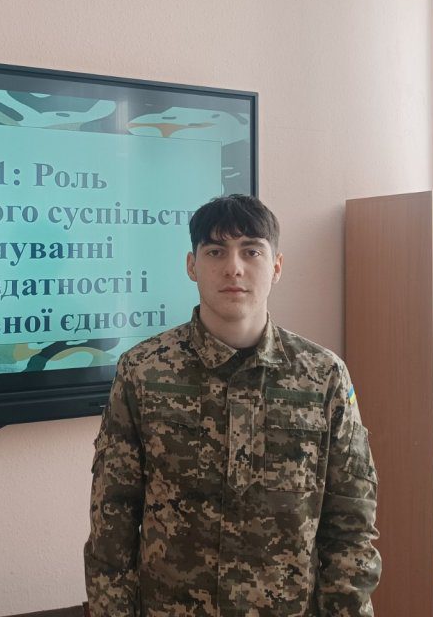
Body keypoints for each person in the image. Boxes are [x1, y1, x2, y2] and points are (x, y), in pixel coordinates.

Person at [83, 194, 380, 616]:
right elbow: (112, 520)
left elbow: (351, 521)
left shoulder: (324, 376)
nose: (233, 268)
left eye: (251, 251)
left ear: (276, 266)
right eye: (216, 251)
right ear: (192, 265)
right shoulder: (144, 371)